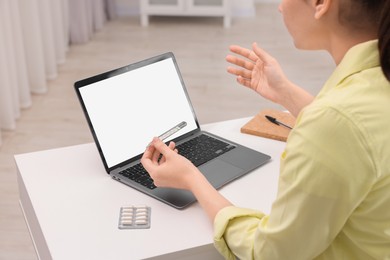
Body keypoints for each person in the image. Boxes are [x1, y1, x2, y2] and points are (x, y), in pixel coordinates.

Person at [141, 0, 390, 258]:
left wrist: (191, 179)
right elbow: (356, 134)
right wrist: (285, 92)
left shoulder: (335, 124)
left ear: (320, 4)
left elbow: (269, 253)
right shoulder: (373, 86)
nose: (280, 7)